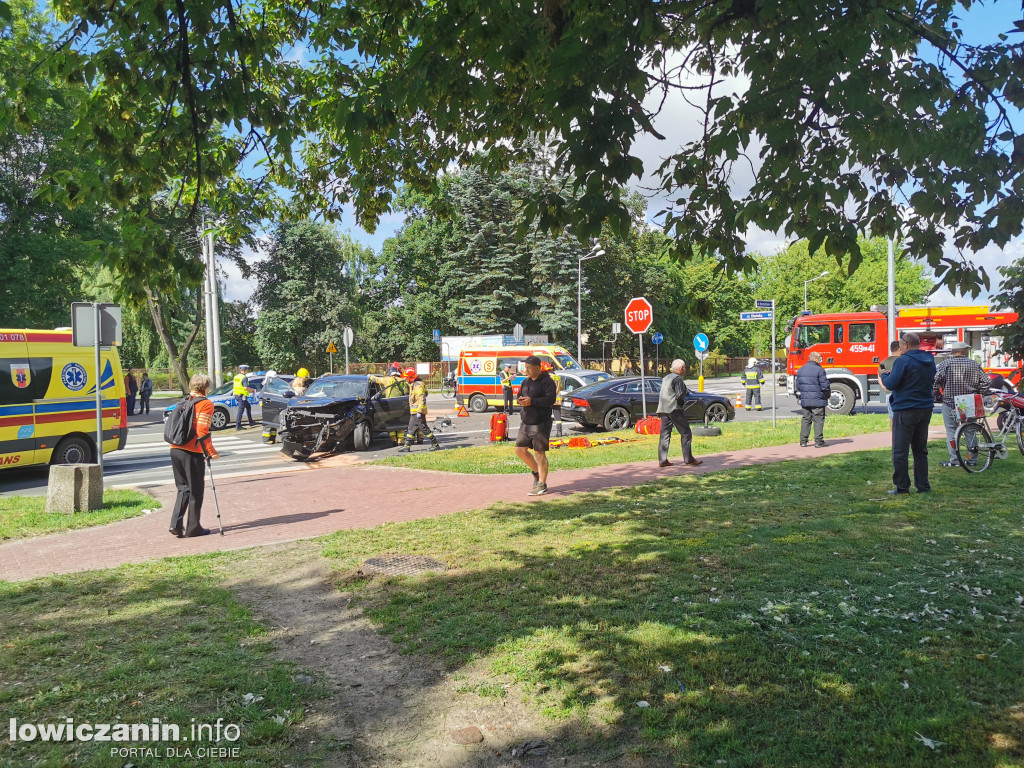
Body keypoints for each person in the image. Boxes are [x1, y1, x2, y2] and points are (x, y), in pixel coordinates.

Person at [879, 332, 936, 495]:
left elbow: (891, 384)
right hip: (925, 408)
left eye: (900, 343)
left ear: (905, 344)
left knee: (900, 450)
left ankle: (902, 487)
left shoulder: (902, 361)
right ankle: (923, 486)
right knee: (920, 450)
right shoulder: (929, 359)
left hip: (905, 408)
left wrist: (884, 375)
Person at [169, 373, 219, 538]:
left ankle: (175, 525)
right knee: (196, 491)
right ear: (205, 388)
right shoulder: (206, 404)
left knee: (183, 488)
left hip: (175, 448)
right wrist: (211, 452)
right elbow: (202, 430)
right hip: (192, 452)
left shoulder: (184, 401)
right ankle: (193, 528)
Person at [932, 340, 990, 467]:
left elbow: (935, 383)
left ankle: (955, 460)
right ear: (963, 351)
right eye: (967, 350)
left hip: (949, 402)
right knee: (970, 430)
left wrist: (939, 397)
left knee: (951, 431)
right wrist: (978, 395)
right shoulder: (974, 364)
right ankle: (971, 459)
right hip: (969, 402)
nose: (968, 352)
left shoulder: (944, 364)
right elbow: (986, 383)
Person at [513, 355, 557, 496]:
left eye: (529, 368)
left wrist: (532, 401)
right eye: (525, 368)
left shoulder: (547, 382)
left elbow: (551, 399)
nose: (526, 371)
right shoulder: (525, 382)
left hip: (540, 423)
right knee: (520, 450)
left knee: (539, 453)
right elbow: (519, 395)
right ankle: (537, 473)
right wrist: (520, 400)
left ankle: (542, 484)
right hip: (526, 422)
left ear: (538, 368)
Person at [656, 359, 703, 468]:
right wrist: (681, 405)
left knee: (665, 434)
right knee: (686, 433)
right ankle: (689, 460)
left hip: (663, 409)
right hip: (674, 409)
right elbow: (680, 395)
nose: (685, 370)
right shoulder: (677, 379)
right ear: (681, 369)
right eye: (685, 368)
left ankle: (662, 460)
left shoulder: (666, 378)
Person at [398, 367, 442, 452]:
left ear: (411, 377)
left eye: (406, 377)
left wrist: (419, 411)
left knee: (424, 428)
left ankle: (435, 444)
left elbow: (422, 398)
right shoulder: (413, 384)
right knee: (411, 428)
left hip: (418, 412)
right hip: (414, 412)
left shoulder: (417, 385)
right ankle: (407, 446)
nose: (405, 379)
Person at [795, 351, 831, 447]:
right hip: (818, 399)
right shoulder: (820, 370)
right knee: (818, 420)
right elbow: (825, 386)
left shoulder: (801, 370)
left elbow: (798, 386)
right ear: (815, 359)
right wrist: (827, 396)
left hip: (805, 400)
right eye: (820, 359)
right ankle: (818, 442)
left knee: (806, 419)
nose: (820, 361)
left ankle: (803, 441)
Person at [878, 340, 903, 426]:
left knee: (892, 417)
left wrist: (884, 388)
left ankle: (893, 437)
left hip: (889, 393)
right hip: (901, 393)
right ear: (900, 348)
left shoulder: (883, 362)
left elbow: (879, 376)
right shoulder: (903, 361)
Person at [232, 364, 257, 430]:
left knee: (248, 407)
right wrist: (251, 390)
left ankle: (251, 422)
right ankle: (238, 425)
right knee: (241, 411)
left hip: (237, 395)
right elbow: (245, 388)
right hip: (242, 396)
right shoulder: (244, 378)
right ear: (245, 370)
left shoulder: (236, 376)